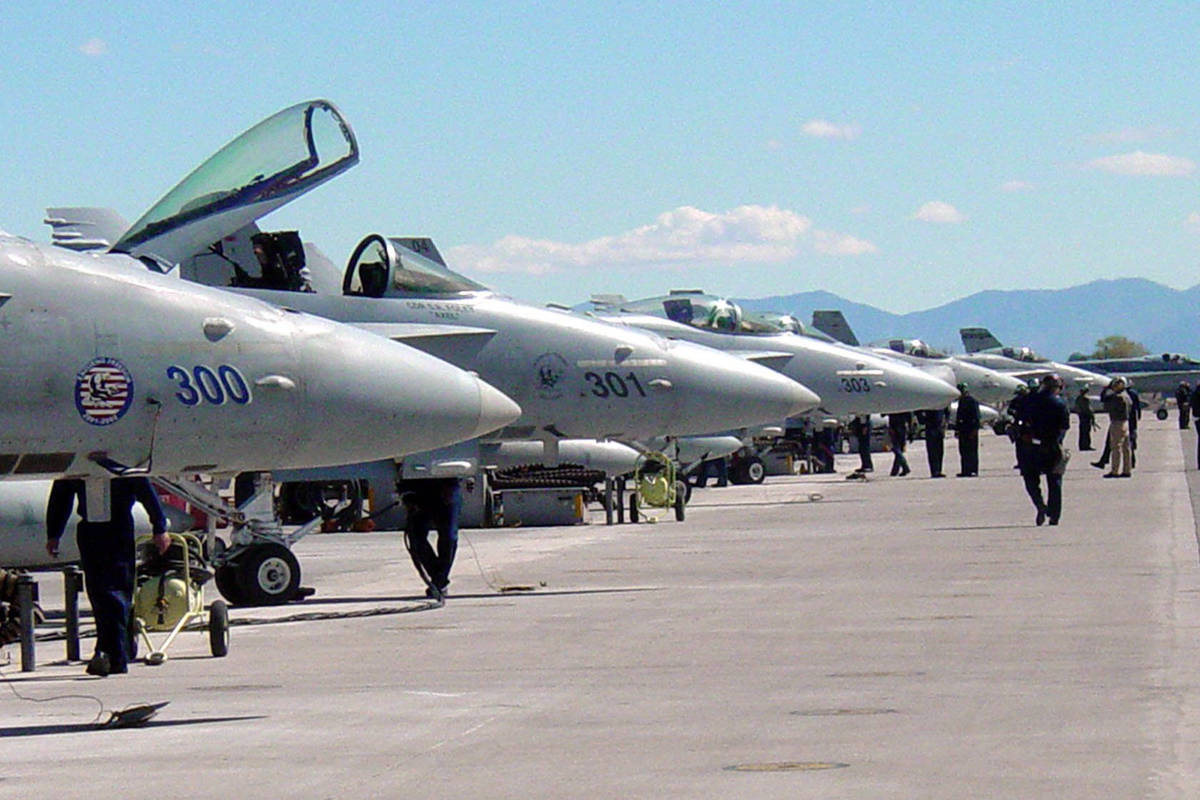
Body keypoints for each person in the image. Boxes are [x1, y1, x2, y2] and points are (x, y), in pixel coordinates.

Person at [45, 478, 169, 676]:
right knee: (98, 593)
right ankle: (114, 651)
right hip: (90, 530)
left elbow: (145, 490)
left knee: (116, 592)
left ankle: (113, 655)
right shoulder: (80, 463)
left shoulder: (120, 459)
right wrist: (54, 533)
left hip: (118, 527)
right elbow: (62, 494)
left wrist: (159, 527)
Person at [1014, 373, 1071, 525]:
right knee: (1055, 481)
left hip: (1030, 445)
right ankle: (1054, 515)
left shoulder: (1029, 400)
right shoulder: (1060, 403)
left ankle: (1040, 505)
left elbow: (1020, 420)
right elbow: (1064, 427)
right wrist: (1057, 441)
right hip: (1051, 446)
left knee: (1030, 479)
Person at [401, 478, 463, 599]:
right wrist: (405, 493)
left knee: (449, 536)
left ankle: (439, 581)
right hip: (417, 489)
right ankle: (439, 580)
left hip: (447, 485)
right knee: (415, 537)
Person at [1099, 377, 1132, 478]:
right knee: (1126, 448)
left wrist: (1106, 390)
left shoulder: (1117, 397)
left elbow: (1105, 404)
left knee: (1116, 447)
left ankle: (1115, 470)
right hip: (1125, 422)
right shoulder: (1126, 396)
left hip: (1117, 422)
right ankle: (1127, 469)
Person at [954, 383, 981, 477]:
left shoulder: (972, 401)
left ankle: (973, 470)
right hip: (963, 430)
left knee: (972, 451)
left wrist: (975, 430)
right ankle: (965, 470)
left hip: (970, 429)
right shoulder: (961, 401)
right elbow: (959, 417)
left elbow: (977, 417)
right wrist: (957, 429)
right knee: (963, 451)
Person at [916, 406, 948, 477]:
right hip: (930, 427)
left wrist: (945, 421)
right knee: (932, 451)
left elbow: (947, 411)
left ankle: (939, 470)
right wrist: (923, 419)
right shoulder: (928, 403)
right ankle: (934, 471)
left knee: (940, 450)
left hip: (939, 428)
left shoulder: (941, 402)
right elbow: (918, 411)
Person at [887, 411, 912, 476]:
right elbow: (909, 417)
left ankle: (905, 467)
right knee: (899, 449)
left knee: (896, 449)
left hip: (895, 426)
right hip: (902, 427)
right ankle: (895, 471)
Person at [1073, 386, 1097, 451]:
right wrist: (1092, 416)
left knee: (1082, 431)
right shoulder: (1086, 399)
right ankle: (1086, 446)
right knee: (1086, 432)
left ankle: (1081, 446)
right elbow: (1089, 408)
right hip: (1086, 416)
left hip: (1081, 416)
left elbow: (1076, 408)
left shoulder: (1078, 398)